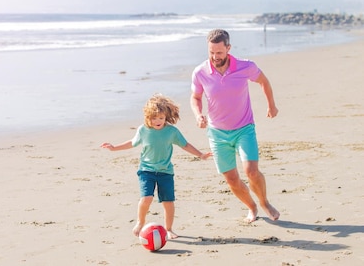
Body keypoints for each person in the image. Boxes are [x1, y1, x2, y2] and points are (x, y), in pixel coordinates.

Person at [190, 29, 281, 223]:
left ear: (228, 49)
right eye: (211, 53)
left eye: (219, 53)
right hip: (217, 133)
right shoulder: (200, 72)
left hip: (244, 128)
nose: (215, 57)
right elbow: (195, 97)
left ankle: (264, 202)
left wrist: (271, 105)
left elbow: (263, 81)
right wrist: (198, 115)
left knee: (251, 171)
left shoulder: (245, 66)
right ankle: (252, 206)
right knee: (231, 179)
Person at [101, 94, 212, 239]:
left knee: (168, 202)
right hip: (146, 171)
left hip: (165, 172)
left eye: (161, 117)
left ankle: (169, 229)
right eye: (154, 118)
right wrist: (114, 148)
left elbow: (185, 145)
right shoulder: (143, 130)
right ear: (148, 117)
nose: (158, 121)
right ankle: (140, 222)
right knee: (146, 198)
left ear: (166, 116)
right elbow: (132, 142)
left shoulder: (171, 131)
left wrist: (200, 155)